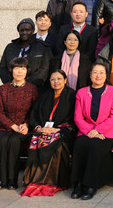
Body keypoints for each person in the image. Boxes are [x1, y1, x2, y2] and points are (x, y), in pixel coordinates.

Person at [22, 69, 76, 197]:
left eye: (59, 79)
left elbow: (74, 118)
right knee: (36, 139)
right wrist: (39, 128)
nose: (56, 82)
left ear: (65, 80)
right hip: (43, 130)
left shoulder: (72, 96)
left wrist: (57, 129)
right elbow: (34, 115)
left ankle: (52, 181)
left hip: (62, 131)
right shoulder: (44, 96)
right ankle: (35, 180)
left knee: (56, 142)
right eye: (52, 79)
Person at [70, 63, 113, 200]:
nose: (98, 75)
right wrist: (90, 131)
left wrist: (97, 130)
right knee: (79, 144)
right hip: (86, 131)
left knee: (94, 145)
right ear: (90, 74)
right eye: (95, 72)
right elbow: (78, 117)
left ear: (106, 75)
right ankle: (78, 183)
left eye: (101, 72)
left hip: (107, 132)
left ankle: (90, 184)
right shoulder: (81, 92)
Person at [0, 57, 39, 190]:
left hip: (24, 128)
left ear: (27, 71)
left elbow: (35, 111)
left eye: (23, 68)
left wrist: (26, 125)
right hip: (6, 127)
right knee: (3, 142)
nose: (20, 71)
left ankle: (12, 181)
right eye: (17, 68)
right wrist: (12, 125)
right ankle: (3, 181)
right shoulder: (3, 89)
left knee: (14, 142)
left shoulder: (32, 89)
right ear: (11, 70)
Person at [0, 18, 52, 90]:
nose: (24, 32)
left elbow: (45, 68)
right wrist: (12, 83)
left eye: (27, 30)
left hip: (36, 88)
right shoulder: (10, 47)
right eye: (22, 30)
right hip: (12, 88)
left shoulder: (42, 47)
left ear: (32, 31)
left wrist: (27, 84)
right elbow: (2, 68)